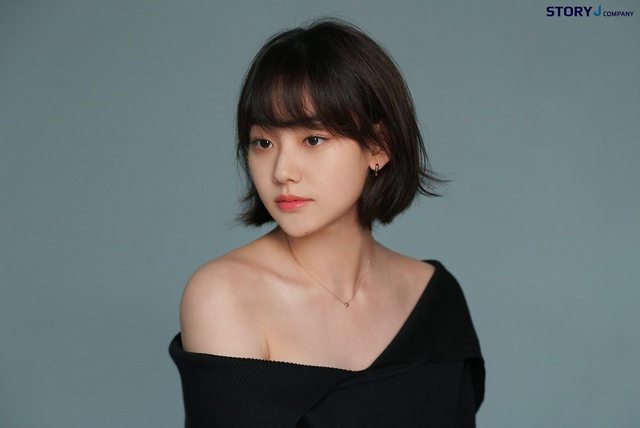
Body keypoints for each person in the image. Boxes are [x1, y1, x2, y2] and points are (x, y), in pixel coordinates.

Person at [169, 19, 484, 427]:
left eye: (313, 139)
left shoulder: (435, 298)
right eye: (263, 142)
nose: (282, 171)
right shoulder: (224, 294)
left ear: (379, 146)